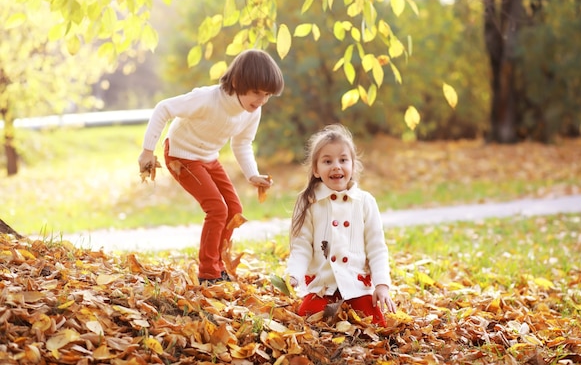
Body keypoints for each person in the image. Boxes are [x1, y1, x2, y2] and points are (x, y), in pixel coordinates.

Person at [138, 49, 284, 285]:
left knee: (234, 209)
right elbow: (163, 109)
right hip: (181, 156)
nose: (262, 101)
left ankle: (218, 265)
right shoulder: (206, 99)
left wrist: (252, 174)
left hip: (207, 157)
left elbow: (243, 142)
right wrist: (147, 149)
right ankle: (208, 273)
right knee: (217, 209)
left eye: (267, 95)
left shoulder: (251, 112)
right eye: (257, 93)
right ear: (237, 82)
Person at [287, 124, 396, 326]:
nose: (336, 166)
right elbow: (301, 244)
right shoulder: (309, 201)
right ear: (316, 169)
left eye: (343, 160)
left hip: (356, 284)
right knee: (306, 321)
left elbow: (376, 247)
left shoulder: (365, 201)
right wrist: (294, 274)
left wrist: (381, 284)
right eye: (327, 161)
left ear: (353, 166)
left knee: (374, 325)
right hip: (322, 285)